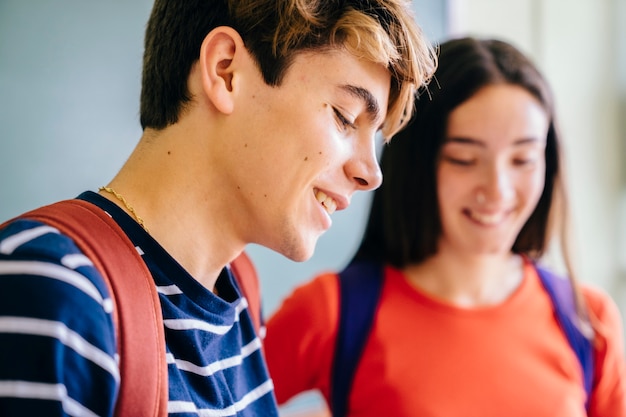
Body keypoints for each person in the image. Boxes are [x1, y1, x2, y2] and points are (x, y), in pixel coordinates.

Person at [0, 1, 437, 416]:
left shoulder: (239, 287)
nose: (371, 173)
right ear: (225, 71)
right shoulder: (50, 288)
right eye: (345, 116)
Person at [264, 36, 626, 417]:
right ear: (419, 163)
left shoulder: (590, 320)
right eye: (464, 159)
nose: (497, 189)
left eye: (523, 159)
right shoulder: (333, 312)